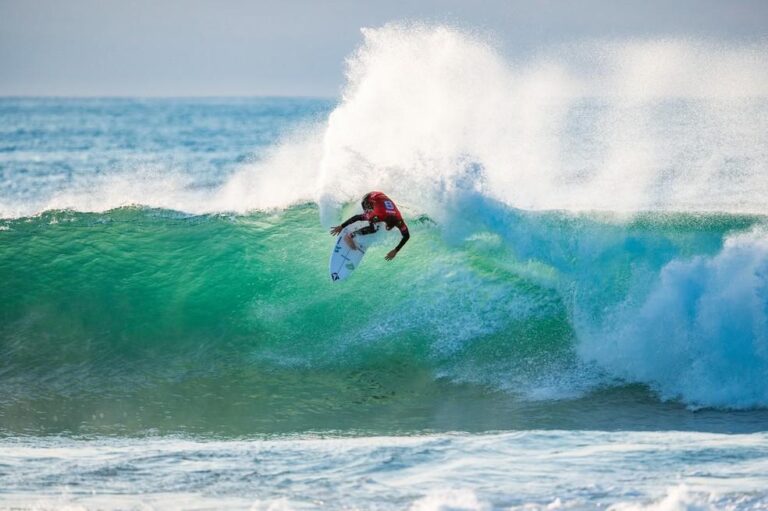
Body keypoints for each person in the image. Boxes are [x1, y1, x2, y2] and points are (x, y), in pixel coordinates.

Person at [330, 191, 410, 260]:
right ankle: (350, 236)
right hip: (368, 198)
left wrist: (396, 250)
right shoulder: (378, 214)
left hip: (380, 197)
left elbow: (406, 236)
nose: (387, 228)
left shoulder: (399, 220)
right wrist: (341, 226)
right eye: (388, 225)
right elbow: (357, 217)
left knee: (375, 223)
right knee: (373, 228)